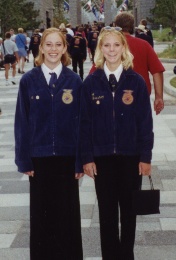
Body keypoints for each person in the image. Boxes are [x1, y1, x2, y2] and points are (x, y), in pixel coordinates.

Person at [77, 27, 154, 260]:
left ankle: (126, 255)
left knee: (129, 212)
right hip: (102, 160)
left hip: (131, 158)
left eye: (116, 45)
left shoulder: (136, 81)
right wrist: (87, 158)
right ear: (100, 49)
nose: (111, 50)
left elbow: (145, 122)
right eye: (106, 45)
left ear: (124, 48)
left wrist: (145, 157)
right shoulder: (91, 82)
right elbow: (84, 124)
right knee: (107, 214)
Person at [14, 27, 83, 260]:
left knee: (67, 217)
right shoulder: (28, 81)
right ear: (41, 48)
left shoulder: (74, 80)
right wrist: (24, 159)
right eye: (48, 44)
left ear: (65, 48)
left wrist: (80, 161)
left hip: (67, 160)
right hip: (39, 160)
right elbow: (21, 123)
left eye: (58, 45)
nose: (53, 49)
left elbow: (81, 124)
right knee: (42, 218)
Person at [115, 12, 165, 115]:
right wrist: (159, 97)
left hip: (114, 98)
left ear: (116, 26)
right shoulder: (144, 45)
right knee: (141, 129)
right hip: (140, 98)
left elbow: (94, 75)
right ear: (132, 27)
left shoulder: (108, 47)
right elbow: (157, 71)